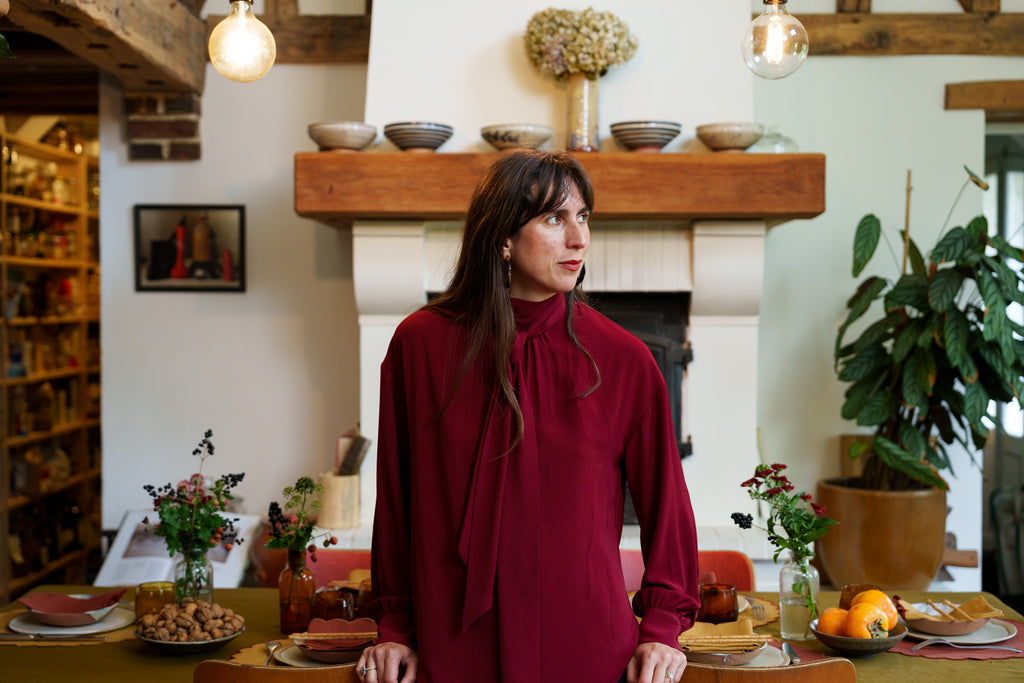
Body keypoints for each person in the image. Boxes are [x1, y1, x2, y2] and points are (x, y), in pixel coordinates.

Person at [357, 149, 699, 683]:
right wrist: (395, 626)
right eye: (554, 218)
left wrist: (661, 630)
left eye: (583, 217)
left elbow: (668, 508)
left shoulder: (624, 359)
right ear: (503, 239)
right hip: (453, 644)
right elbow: (397, 498)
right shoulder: (419, 347)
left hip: (584, 646)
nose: (579, 239)